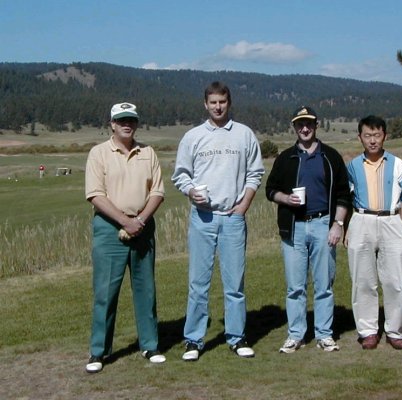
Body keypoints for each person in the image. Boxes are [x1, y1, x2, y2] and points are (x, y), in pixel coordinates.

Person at [171, 81, 264, 361]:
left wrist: (244, 205)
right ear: (206, 104)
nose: (218, 107)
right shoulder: (193, 137)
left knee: (234, 284)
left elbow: (255, 173)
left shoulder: (244, 134)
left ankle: (237, 337)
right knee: (198, 283)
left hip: (233, 218)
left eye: (222, 102)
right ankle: (193, 340)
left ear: (229, 102)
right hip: (203, 218)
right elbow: (181, 175)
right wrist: (191, 192)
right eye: (213, 102)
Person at [84, 102, 166, 373]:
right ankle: (98, 351)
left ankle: (150, 345)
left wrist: (139, 221)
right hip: (109, 228)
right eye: (121, 121)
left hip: (143, 227)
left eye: (131, 120)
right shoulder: (98, 153)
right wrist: (124, 221)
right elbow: (95, 194)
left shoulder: (148, 152)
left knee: (146, 289)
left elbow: (157, 192)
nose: (126, 125)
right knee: (105, 292)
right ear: (112, 124)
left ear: (137, 123)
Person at [265, 106, 351, 353]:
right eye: (300, 124)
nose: (305, 128)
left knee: (324, 284)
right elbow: (270, 190)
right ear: (294, 127)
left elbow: (344, 194)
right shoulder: (286, 158)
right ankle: (296, 335)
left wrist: (338, 224)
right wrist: (285, 198)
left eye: (309, 124)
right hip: (294, 228)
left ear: (316, 125)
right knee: (295, 286)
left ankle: (324, 334)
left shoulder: (331, 157)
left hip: (324, 224)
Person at [346, 115, 402, 350]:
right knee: (363, 280)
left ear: (384, 136)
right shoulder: (352, 167)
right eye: (367, 135)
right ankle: (368, 331)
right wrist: (346, 228)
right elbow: (345, 199)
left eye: (377, 135)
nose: (372, 140)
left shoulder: (399, 164)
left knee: (396, 280)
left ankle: (394, 331)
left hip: (391, 220)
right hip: (362, 219)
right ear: (360, 137)